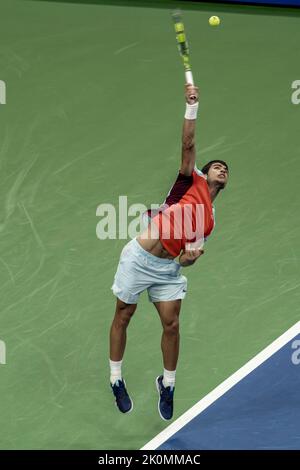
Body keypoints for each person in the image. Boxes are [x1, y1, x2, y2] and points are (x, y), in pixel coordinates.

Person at [109, 83, 229, 420]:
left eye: (226, 170)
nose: (222, 168)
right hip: (138, 259)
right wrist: (192, 106)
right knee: (123, 315)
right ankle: (116, 378)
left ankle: (169, 384)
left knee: (172, 324)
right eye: (216, 166)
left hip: (166, 271)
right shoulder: (189, 182)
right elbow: (188, 143)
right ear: (205, 174)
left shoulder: (209, 222)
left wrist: (186, 261)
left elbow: (186, 257)